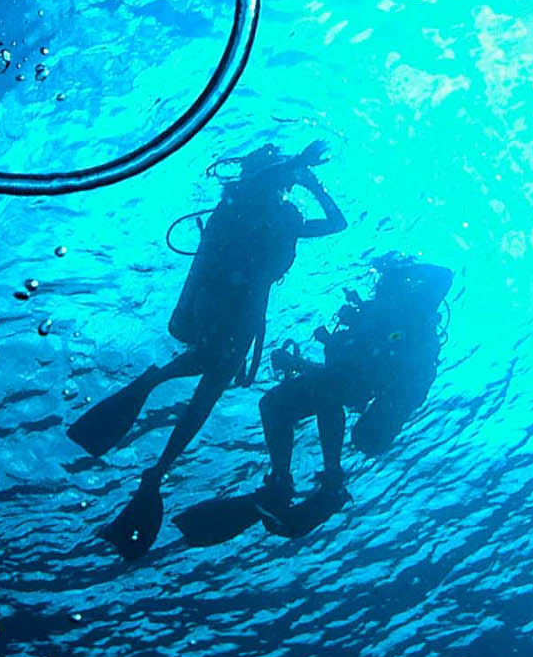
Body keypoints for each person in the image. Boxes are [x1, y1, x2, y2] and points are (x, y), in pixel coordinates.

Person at [67, 141, 346, 559]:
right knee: (208, 369)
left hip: (245, 311)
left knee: (209, 393)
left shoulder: (285, 216)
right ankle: (153, 392)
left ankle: (156, 470)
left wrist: (314, 183)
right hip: (219, 300)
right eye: (282, 173)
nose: (287, 180)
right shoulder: (242, 198)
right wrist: (297, 163)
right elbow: (258, 183)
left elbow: (336, 224)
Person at [174, 257, 454, 546]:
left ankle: (331, 481)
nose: (378, 289)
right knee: (273, 405)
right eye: (381, 283)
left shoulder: (416, 306)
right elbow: (341, 373)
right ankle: (281, 483)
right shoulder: (376, 315)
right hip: (361, 383)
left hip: (392, 386)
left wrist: (400, 272)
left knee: (356, 427)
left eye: (384, 282)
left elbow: (445, 274)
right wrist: (300, 361)